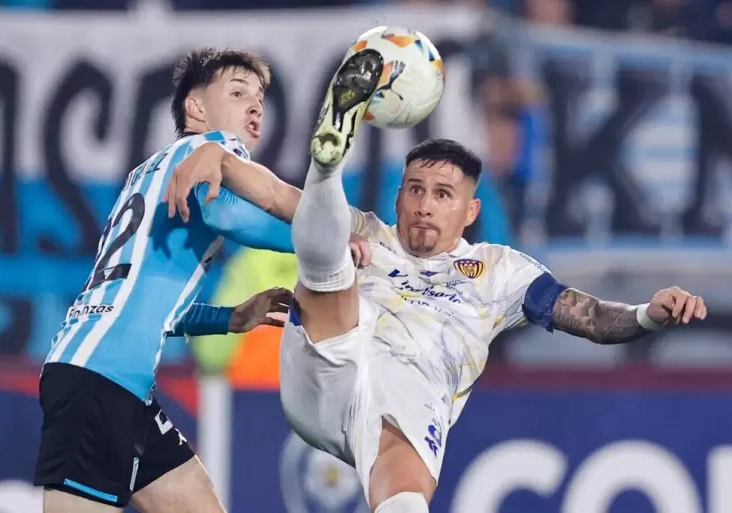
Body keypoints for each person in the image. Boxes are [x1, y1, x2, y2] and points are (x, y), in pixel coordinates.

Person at [165, 48, 707, 513]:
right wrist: (217, 153)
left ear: (470, 210)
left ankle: (328, 166)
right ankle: (327, 162)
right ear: (398, 196)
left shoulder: (501, 270)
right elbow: (276, 196)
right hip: (326, 371)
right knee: (332, 246)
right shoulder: (371, 233)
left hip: (405, 408)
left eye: (442, 195)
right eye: (415, 190)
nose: (424, 205)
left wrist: (645, 315)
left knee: (404, 498)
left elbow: (585, 316)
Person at [34, 47, 363, 513]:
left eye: (260, 98)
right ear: (196, 108)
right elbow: (231, 214)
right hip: (100, 380)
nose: (254, 105)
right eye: (237, 92)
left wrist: (229, 317)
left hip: (109, 375)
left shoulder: (144, 174)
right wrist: (324, 242)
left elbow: (147, 304)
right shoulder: (206, 153)